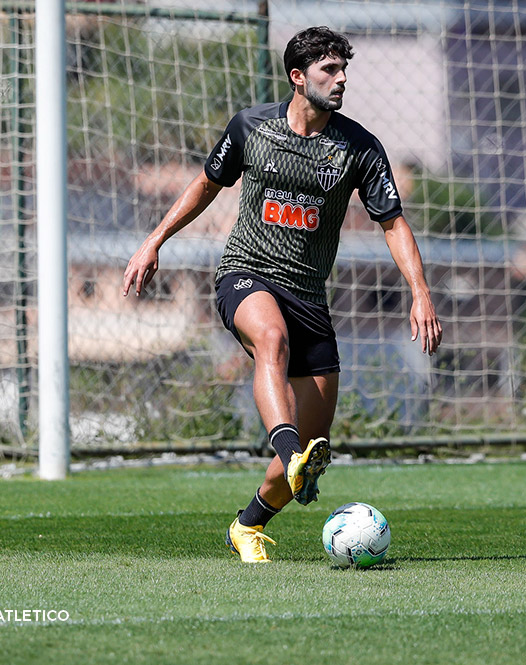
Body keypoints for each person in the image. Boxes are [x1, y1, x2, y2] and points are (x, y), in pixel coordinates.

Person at [122, 26, 442, 563]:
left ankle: (248, 525)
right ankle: (289, 449)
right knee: (271, 341)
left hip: (310, 297)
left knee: (313, 451)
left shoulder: (359, 148)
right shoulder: (251, 127)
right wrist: (153, 242)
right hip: (246, 274)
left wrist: (420, 292)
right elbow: (205, 184)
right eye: (329, 71)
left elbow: (392, 222)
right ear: (298, 77)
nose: (341, 80)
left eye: (344, 70)